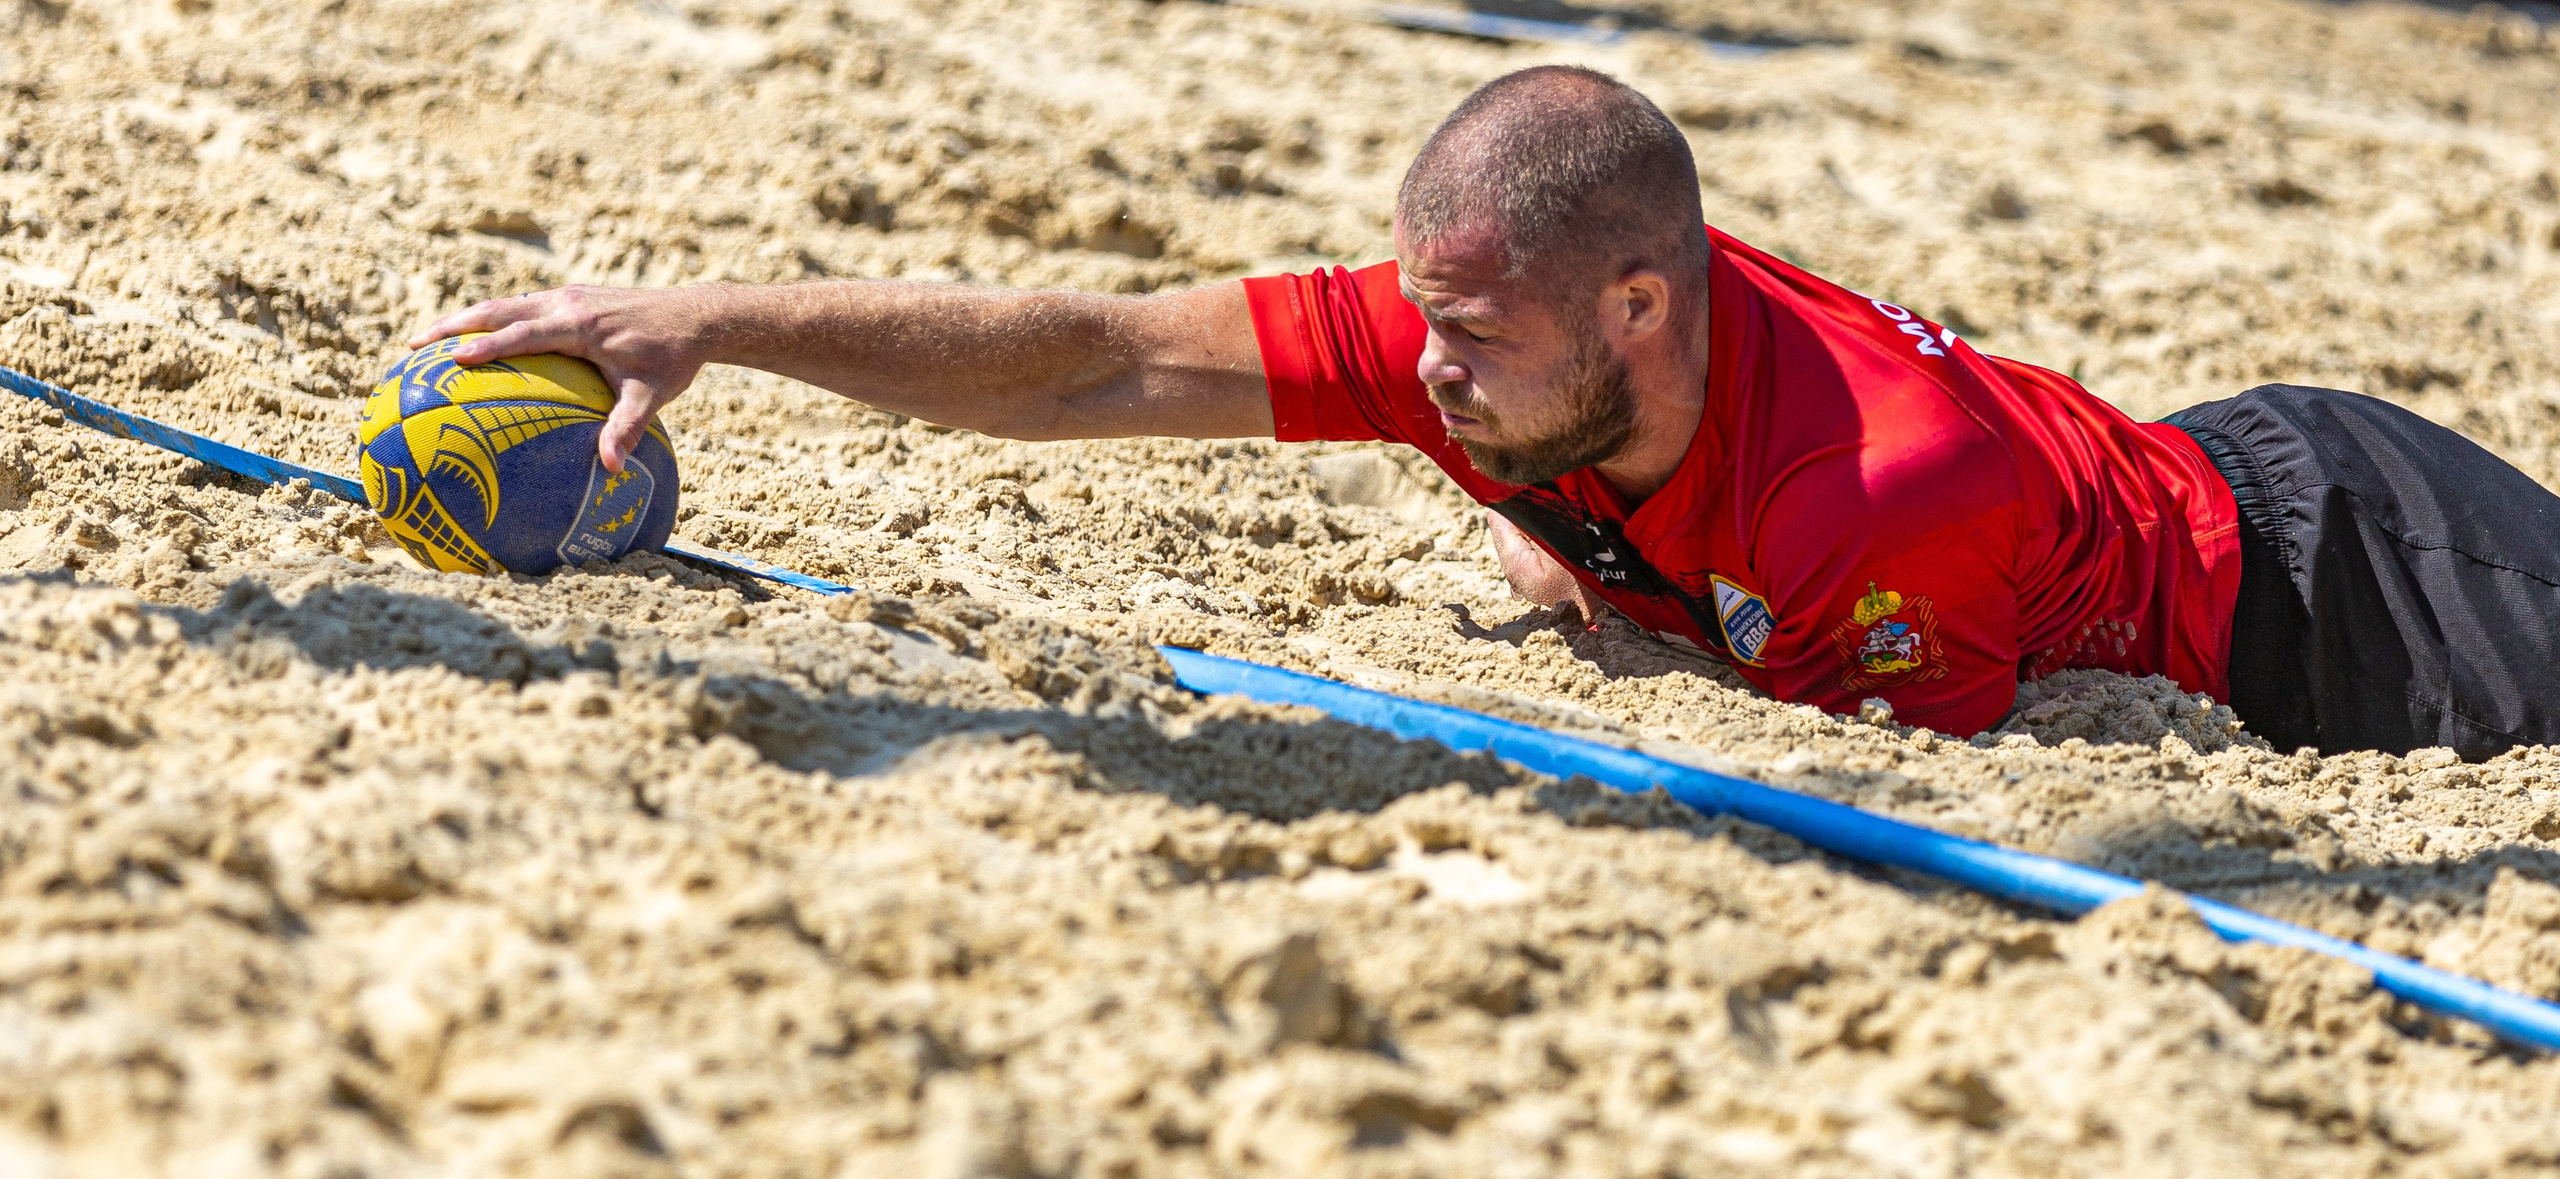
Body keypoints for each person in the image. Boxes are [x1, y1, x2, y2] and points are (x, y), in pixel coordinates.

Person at [415, 66, 2560, 758]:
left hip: (2351, 593)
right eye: (1416, 322)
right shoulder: (1484, 336)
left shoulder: (1869, 499)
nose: (1421, 371)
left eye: (1470, 336)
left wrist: (1581, 576)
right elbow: (1084, 352)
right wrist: (710, 317)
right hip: (2158, 472)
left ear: (1639, 305)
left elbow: (1851, 758)